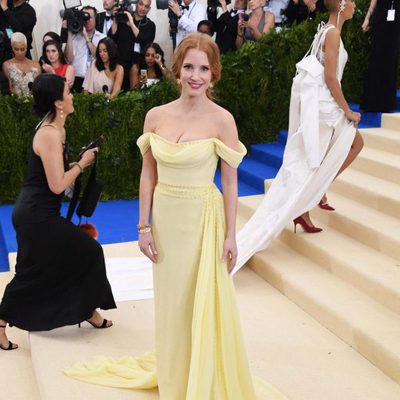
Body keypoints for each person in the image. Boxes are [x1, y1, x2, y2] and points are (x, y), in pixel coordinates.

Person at [64, 33, 287, 400]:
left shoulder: (223, 121)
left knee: (202, 301)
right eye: (188, 67)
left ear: (213, 74)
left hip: (203, 220)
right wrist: (143, 225)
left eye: (203, 68)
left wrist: (232, 235)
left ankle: (203, 376)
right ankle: (176, 373)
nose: (195, 76)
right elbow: (148, 174)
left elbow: (230, 184)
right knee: (172, 302)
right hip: (166, 220)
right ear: (176, 70)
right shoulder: (156, 116)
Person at [234, 0, 364, 271]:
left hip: (322, 108)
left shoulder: (327, 30)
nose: (354, 5)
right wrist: (348, 110)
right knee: (316, 163)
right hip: (325, 110)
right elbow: (330, 78)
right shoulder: (332, 33)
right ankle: (311, 198)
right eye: (350, 1)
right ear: (340, 6)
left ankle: (312, 198)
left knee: (340, 150)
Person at [0, 73, 116, 351]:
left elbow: (53, 174)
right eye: (68, 91)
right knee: (85, 253)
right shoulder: (50, 134)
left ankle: (87, 311)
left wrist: (75, 162)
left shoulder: (55, 129)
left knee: (67, 257)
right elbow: (56, 185)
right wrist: (83, 164)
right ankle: (87, 311)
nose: (73, 94)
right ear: (58, 102)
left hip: (34, 212)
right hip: (37, 215)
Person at [360, 0, 400, 112]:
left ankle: (386, 103)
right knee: (376, 57)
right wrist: (367, 18)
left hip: (396, 19)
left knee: (391, 58)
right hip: (381, 16)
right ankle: (371, 101)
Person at [109, 0, 155, 90]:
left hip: (138, 66)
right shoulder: (124, 19)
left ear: (149, 9)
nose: (143, 8)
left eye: (146, 6)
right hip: (120, 64)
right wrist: (115, 19)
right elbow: (112, 37)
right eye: (141, 4)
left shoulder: (150, 25)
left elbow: (145, 42)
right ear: (136, 4)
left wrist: (132, 25)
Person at [64, 6, 106, 93]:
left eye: (89, 17)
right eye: (84, 17)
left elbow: (100, 57)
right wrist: (69, 31)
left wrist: (86, 37)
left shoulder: (102, 38)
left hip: (95, 80)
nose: (87, 20)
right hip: (77, 79)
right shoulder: (74, 38)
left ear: (96, 19)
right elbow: (68, 59)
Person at [2, 32, 40, 97]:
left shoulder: (35, 65)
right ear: (12, 48)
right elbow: (9, 87)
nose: (19, 53)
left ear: (26, 48)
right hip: (16, 103)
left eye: (22, 49)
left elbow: (38, 88)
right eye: (16, 49)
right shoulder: (7, 65)